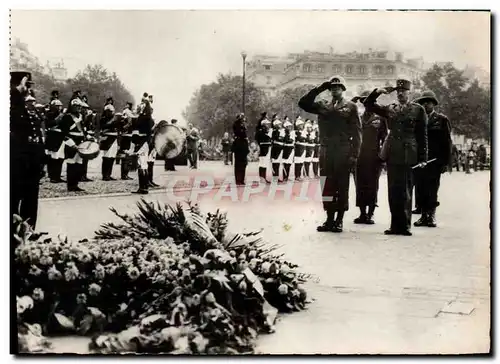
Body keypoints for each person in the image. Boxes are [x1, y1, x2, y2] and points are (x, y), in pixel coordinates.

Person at [363, 79, 428, 236]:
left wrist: (423, 157)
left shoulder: (418, 110)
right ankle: (394, 225)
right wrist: (377, 92)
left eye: (403, 91)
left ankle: (405, 225)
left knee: (405, 190)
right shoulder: (390, 108)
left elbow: (422, 135)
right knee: (393, 190)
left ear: (409, 93)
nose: (400, 94)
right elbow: (368, 104)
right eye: (398, 92)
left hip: (408, 153)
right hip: (393, 152)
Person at [299, 76, 361, 233]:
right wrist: (319, 88)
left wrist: (354, 155)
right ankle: (329, 219)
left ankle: (339, 220)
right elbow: (303, 103)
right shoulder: (322, 105)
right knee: (327, 186)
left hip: (343, 150)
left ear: (343, 89)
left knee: (342, 185)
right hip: (326, 150)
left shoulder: (351, 107)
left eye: (338, 87)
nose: (335, 89)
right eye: (332, 87)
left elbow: (357, 132)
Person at [412, 90, 452, 228]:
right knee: (420, 188)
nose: (425, 105)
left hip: (435, 161)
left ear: (433, 104)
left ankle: (432, 215)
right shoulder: (418, 120)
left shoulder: (441, 119)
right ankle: (423, 216)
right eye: (423, 102)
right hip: (420, 160)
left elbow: (447, 142)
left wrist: (445, 162)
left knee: (432, 189)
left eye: (428, 102)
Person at [10, 71, 45, 229]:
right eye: (27, 86)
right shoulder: (12, 104)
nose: (29, 90)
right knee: (13, 197)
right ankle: (11, 235)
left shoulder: (31, 109)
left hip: (32, 161)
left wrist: (41, 160)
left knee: (31, 199)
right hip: (16, 160)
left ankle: (29, 231)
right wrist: (18, 88)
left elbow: (37, 135)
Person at [351, 90, 388, 225]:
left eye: (368, 101)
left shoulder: (380, 119)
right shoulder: (358, 118)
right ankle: (362, 213)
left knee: (373, 185)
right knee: (359, 184)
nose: (366, 104)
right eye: (364, 102)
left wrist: (383, 158)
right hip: (359, 156)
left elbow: (385, 139)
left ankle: (371, 213)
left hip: (374, 157)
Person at [59, 98, 90, 192]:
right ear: (72, 107)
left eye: (79, 106)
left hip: (80, 142)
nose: (78, 108)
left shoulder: (80, 117)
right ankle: (70, 185)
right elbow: (63, 133)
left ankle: (75, 184)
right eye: (76, 106)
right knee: (71, 164)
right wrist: (72, 144)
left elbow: (83, 130)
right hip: (71, 142)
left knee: (78, 165)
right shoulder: (67, 117)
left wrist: (88, 137)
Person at [131, 94, 154, 194]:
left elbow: (137, 130)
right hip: (145, 143)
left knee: (141, 165)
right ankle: (144, 187)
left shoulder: (142, 118)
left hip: (142, 142)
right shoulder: (149, 119)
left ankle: (142, 188)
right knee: (144, 165)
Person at [45, 91, 66, 183]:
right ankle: (53, 176)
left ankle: (57, 176)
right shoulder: (49, 114)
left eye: (59, 106)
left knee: (60, 157)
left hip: (60, 136)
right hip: (53, 136)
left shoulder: (61, 115)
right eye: (57, 106)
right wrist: (59, 118)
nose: (59, 108)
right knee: (53, 157)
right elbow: (49, 124)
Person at [99, 97, 119, 180]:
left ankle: (109, 174)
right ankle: (105, 175)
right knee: (107, 157)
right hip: (107, 139)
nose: (112, 113)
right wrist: (112, 123)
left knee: (112, 157)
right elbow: (103, 127)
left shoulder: (115, 119)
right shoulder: (103, 119)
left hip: (114, 138)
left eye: (112, 111)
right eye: (110, 111)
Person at [118, 102, 135, 180]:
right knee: (126, 155)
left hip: (126, 135)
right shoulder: (128, 113)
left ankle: (124, 174)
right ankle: (124, 175)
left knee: (125, 156)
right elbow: (129, 123)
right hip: (127, 136)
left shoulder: (124, 113)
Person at [80, 95, 94, 182]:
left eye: (86, 108)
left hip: (85, 137)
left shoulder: (86, 117)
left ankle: (84, 175)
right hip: (80, 138)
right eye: (83, 108)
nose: (85, 110)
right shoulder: (79, 117)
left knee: (86, 158)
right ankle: (80, 176)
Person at [232, 113, 249, 185]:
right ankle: (238, 179)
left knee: (243, 163)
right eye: (241, 118)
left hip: (243, 145)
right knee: (238, 164)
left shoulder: (243, 126)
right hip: (239, 145)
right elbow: (237, 129)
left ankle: (241, 179)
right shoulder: (237, 125)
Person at [255, 114, 272, 183]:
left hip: (267, 147)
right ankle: (261, 178)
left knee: (265, 164)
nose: (268, 125)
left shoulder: (267, 131)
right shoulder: (260, 131)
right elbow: (259, 139)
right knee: (262, 163)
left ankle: (264, 177)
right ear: (263, 125)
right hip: (262, 148)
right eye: (267, 124)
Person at [270, 115, 284, 183]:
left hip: (279, 148)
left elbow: (281, 139)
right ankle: (275, 177)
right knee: (275, 163)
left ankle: (276, 177)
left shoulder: (280, 131)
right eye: (278, 124)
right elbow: (276, 139)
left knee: (277, 164)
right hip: (275, 148)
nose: (280, 125)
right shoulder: (274, 131)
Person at [281, 117, 295, 182]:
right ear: (285, 127)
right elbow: (286, 140)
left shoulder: (290, 133)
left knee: (289, 164)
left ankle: (287, 177)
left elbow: (292, 141)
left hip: (291, 149)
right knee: (285, 164)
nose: (289, 128)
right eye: (288, 126)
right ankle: (284, 177)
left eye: (290, 126)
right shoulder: (283, 132)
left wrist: (291, 140)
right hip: (286, 149)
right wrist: (290, 140)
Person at [293, 116, 307, 181]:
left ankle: (299, 175)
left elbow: (305, 139)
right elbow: (299, 139)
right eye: (300, 125)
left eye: (302, 125)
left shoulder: (303, 132)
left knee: (301, 163)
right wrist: (302, 139)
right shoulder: (296, 132)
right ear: (298, 126)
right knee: (298, 163)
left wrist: (302, 139)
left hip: (303, 148)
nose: (302, 126)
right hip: (298, 150)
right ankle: (297, 176)